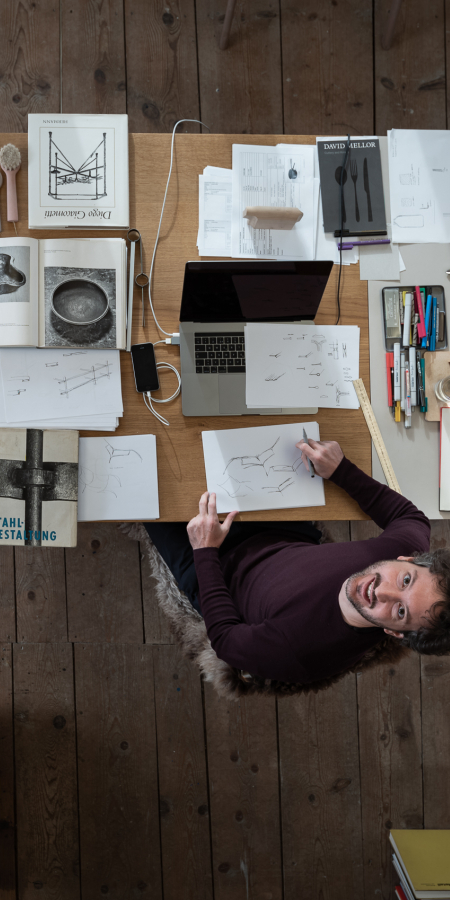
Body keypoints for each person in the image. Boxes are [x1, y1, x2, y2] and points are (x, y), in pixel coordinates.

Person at [144, 439, 450, 683]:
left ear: (395, 633)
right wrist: (342, 470)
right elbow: (411, 518)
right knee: (233, 435)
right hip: (280, 532)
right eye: (406, 580)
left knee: (149, 479)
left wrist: (205, 552)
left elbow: (226, 641)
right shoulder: (401, 548)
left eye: (399, 611)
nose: (381, 591)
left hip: (218, 572)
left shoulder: (300, 655)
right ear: (410, 559)